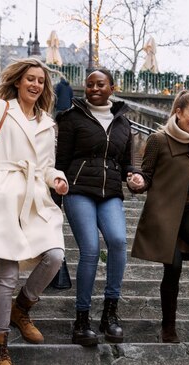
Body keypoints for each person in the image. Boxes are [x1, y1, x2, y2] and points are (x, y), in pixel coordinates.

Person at [0, 57, 69, 365]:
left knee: (54, 256)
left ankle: (22, 308)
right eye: (30, 78)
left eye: (40, 80)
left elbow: (46, 166)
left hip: (36, 198)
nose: (35, 84)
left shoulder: (47, 123)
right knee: (8, 276)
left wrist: (57, 179)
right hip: (5, 197)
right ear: (18, 81)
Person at [129, 90, 189, 344]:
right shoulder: (158, 140)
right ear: (179, 112)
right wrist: (137, 182)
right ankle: (168, 327)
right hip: (163, 214)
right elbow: (146, 176)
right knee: (174, 267)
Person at [55, 68, 138, 346]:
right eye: (89, 85)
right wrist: (56, 197)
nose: (93, 89)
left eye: (100, 84)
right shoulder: (71, 117)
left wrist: (133, 175)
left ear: (112, 88)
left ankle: (110, 314)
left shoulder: (124, 123)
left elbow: (127, 162)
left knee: (117, 241)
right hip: (78, 190)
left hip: (110, 191)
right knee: (90, 248)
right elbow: (61, 160)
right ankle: (81, 319)